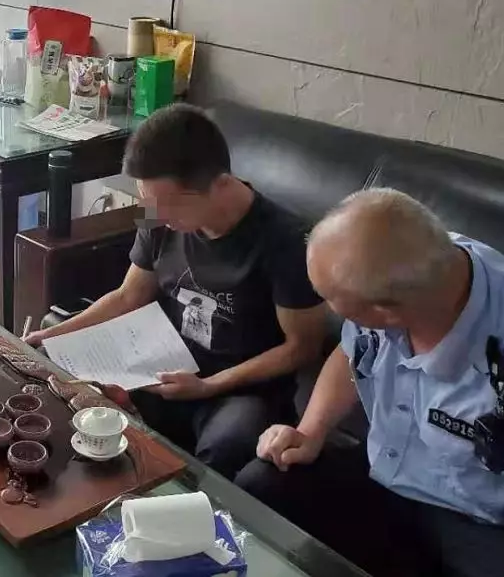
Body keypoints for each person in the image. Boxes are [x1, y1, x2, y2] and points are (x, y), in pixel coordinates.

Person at [235, 188, 504, 577]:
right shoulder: (413, 261)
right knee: (262, 485)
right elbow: (352, 351)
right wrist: (311, 430)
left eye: (333, 301)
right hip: (391, 476)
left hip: (483, 525)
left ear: (386, 313)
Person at [26, 104, 327, 479]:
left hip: (240, 388)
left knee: (228, 444)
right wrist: (49, 336)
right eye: (147, 200)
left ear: (220, 185)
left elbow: (302, 347)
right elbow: (129, 295)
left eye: (170, 206)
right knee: (60, 389)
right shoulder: (156, 213)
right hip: (160, 365)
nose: (158, 217)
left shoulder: (287, 242)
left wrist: (207, 386)